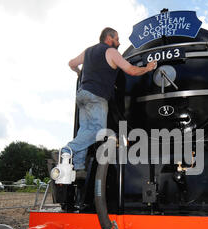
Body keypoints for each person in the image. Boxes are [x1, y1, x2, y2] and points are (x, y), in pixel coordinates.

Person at [60, 27, 157, 178]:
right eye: (117, 39)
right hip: (96, 97)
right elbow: (131, 70)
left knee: (84, 130)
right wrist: (148, 68)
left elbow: (71, 63)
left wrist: (80, 74)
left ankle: (78, 168)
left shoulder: (88, 51)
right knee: (97, 131)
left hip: (82, 94)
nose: (119, 42)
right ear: (109, 38)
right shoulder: (111, 52)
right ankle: (68, 150)